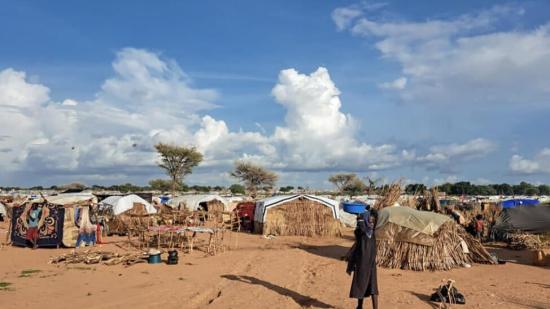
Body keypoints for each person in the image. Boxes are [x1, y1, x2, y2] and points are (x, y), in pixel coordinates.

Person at [347, 209, 379, 309]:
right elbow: (359, 229)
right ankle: (360, 306)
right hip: (363, 263)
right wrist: (359, 219)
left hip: (368, 264)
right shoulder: (363, 232)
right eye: (370, 221)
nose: (372, 224)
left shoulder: (371, 232)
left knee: (371, 287)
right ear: (366, 221)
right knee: (363, 286)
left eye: (373, 222)